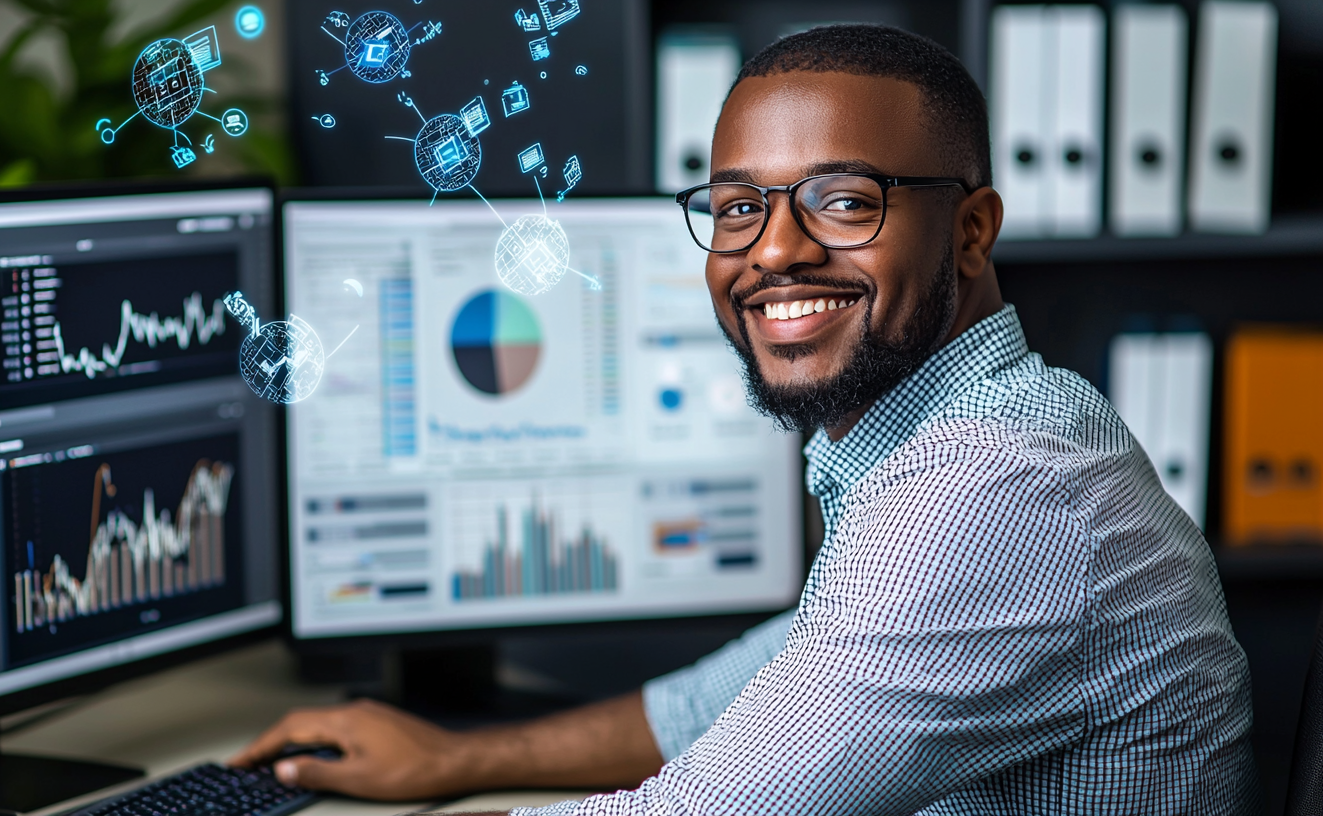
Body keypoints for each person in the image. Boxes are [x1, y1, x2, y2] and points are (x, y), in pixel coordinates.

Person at [233, 24, 1259, 814]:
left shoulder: (992, 486)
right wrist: (458, 760)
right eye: (736, 208)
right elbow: (715, 705)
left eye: (842, 201)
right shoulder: (967, 436)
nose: (771, 253)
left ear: (970, 234)